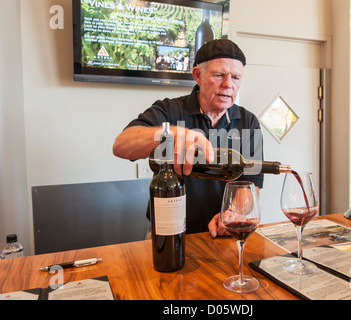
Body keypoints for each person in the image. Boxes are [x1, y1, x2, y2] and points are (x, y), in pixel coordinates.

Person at [113, 39, 264, 238]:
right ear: (197, 75)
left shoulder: (248, 121)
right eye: (219, 75)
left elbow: (251, 183)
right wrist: (174, 134)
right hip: (168, 234)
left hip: (222, 234)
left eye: (235, 77)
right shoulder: (170, 110)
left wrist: (233, 213)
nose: (228, 84)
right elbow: (122, 145)